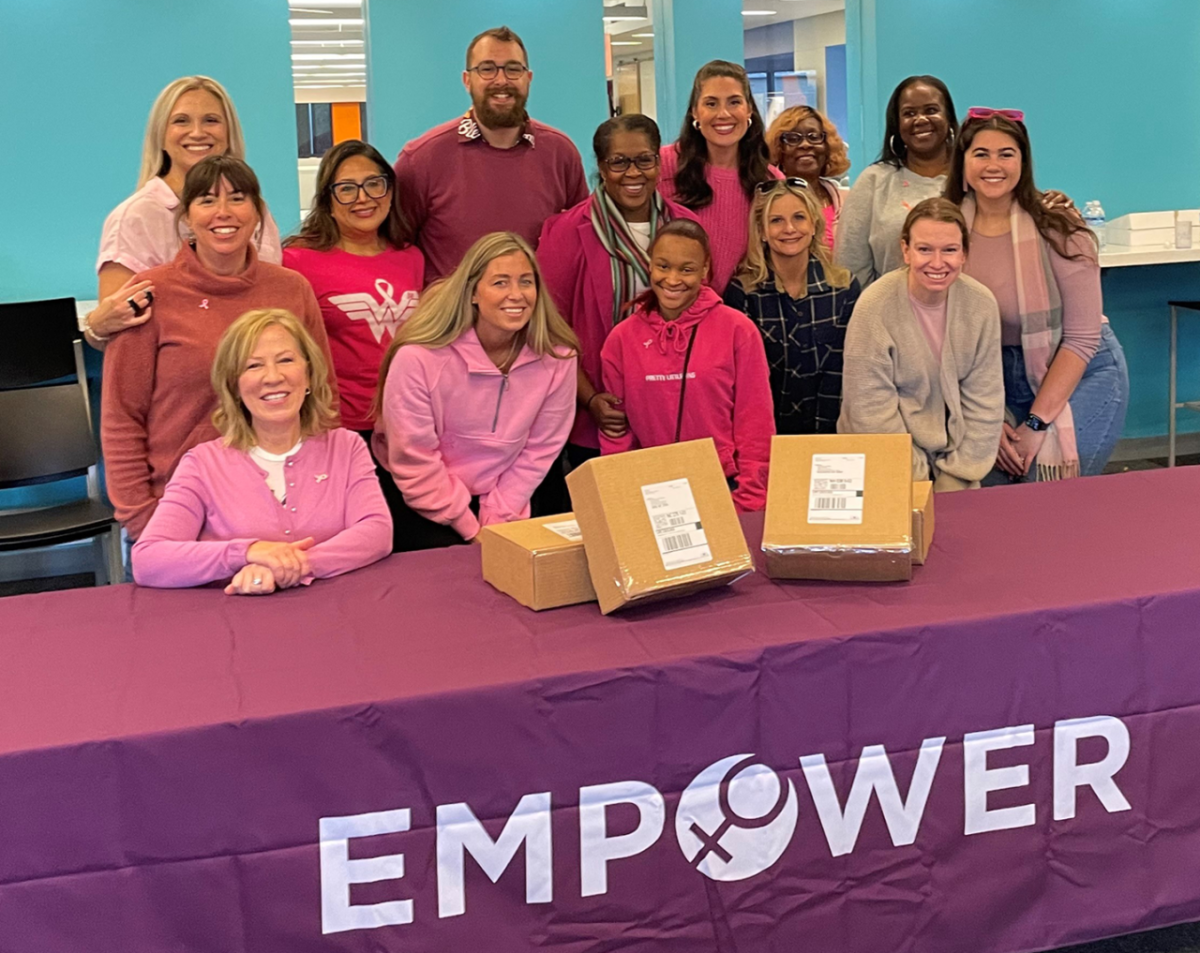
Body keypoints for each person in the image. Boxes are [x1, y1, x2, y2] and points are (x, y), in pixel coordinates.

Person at [102, 156, 335, 542]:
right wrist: (143, 519)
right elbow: (122, 415)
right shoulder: (151, 294)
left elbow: (323, 398)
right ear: (187, 217)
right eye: (207, 200)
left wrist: (323, 493)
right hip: (182, 515)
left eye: (237, 198)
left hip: (287, 511)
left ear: (258, 212)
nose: (222, 212)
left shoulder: (291, 290)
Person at [133, 309, 390, 593]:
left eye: (286, 360)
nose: (273, 376)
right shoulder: (201, 464)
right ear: (234, 386)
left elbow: (377, 532)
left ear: (308, 375)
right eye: (254, 366)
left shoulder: (347, 446)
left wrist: (289, 565)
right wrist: (247, 553)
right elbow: (149, 560)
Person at [946, 109, 1129, 481]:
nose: (993, 165)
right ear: (962, 164)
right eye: (980, 153)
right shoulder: (945, 233)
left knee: (1046, 494)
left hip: (1078, 372)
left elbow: (1082, 337)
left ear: (1023, 163)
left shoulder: (1059, 226)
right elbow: (940, 337)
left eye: (1006, 153)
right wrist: (989, 421)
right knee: (991, 498)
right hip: (988, 384)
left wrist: (1035, 423)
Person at [373, 232, 578, 551]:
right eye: (500, 282)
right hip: (427, 500)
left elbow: (541, 450)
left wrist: (497, 519)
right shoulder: (417, 359)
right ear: (472, 292)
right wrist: (470, 528)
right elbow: (416, 459)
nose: (516, 294)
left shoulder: (558, 359)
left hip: (509, 495)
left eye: (526, 281)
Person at [537, 114, 700, 468]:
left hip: (677, 411)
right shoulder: (566, 232)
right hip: (602, 414)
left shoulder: (687, 226)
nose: (633, 173)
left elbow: (703, 313)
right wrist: (591, 398)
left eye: (644, 160)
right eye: (618, 162)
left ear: (659, 161)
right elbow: (551, 329)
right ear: (600, 166)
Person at [86, 76, 284, 349]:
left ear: (229, 134)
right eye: (181, 121)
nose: (198, 132)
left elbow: (273, 294)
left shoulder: (256, 210)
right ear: (161, 136)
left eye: (211, 120)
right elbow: (115, 330)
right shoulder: (134, 218)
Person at [600, 220, 774, 512]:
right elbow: (616, 430)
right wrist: (620, 495)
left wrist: (750, 498)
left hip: (724, 489)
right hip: (650, 493)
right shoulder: (621, 338)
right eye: (663, 266)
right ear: (649, 265)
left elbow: (755, 423)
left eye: (687, 269)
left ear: (705, 270)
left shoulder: (738, 331)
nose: (672, 279)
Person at [393, 25, 588, 284]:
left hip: (538, 320)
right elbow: (395, 252)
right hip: (451, 322)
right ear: (467, 80)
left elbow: (581, 243)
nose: (501, 80)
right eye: (487, 69)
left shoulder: (561, 154)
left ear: (528, 78)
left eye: (513, 68)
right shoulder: (421, 159)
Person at [839, 198, 1004, 491]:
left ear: (964, 253)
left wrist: (959, 474)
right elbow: (869, 413)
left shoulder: (981, 306)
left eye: (950, 250)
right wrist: (919, 481)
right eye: (924, 249)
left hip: (955, 465)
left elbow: (985, 403)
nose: (937, 263)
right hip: (884, 462)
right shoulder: (874, 307)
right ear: (905, 250)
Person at [283, 140, 424, 438]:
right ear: (327, 202)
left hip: (407, 423)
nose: (364, 198)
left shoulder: (411, 257)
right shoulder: (297, 261)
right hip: (337, 428)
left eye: (374, 184)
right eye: (346, 188)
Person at [725, 178, 860, 435]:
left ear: (814, 225)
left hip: (831, 433)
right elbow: (745, 384)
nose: (789, 228)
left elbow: (841, 374)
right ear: (762, 231)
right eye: (776, 220)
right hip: (764, 434)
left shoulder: (844, 288)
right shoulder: (742, 293)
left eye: (799, 217)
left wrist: (824, 442)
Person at [658, 60, 782, 296]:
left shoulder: (771, 181)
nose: (723, 114)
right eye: (711, 103)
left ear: (749, 110)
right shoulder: (661, 166)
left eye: (734, 102)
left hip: (743, 318)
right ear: (695, 111)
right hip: (671, 312)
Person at [835, 75, 960, 289]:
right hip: (887, 316)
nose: (920, 119)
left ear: (948, 117)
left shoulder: (971, 177)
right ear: (897, 124)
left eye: (931, 110)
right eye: (909, 113)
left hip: (968, 314)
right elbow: (849, 266)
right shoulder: (874, 181)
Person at [764, 105, 851, 248]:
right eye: (793, 138)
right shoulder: (766, 202)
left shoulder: (848, 202)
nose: (805, 145)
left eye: (814, 137)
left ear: (828, 146)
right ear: (779, 149)